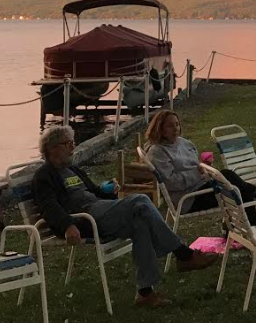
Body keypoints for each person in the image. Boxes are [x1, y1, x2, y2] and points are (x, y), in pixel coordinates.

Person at [32, 124, 215, 308]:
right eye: (68, 143)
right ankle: (183, 253)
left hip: (100, 210)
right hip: (85, 219)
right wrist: (67, 226)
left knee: (140, 223)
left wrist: (108, 189)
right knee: (141, 201)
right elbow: (49, 206)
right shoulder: (44, 175)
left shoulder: (72, 169)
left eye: (73, 142)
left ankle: (145, 293)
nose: (73, 147)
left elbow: (93, 192)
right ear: (53, 148)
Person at [142, 109, 256, 261]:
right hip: (189, 198)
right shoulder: (157, 151)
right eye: (170, 126)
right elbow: (171, 182)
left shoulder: (183, 143)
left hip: (203, 185)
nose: (175, 129)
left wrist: (205, 166)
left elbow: (195, 166)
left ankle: (243, 232)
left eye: (177, 124)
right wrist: (199, 172)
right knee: (234, 185)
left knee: (233, 185)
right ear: (160, 128)